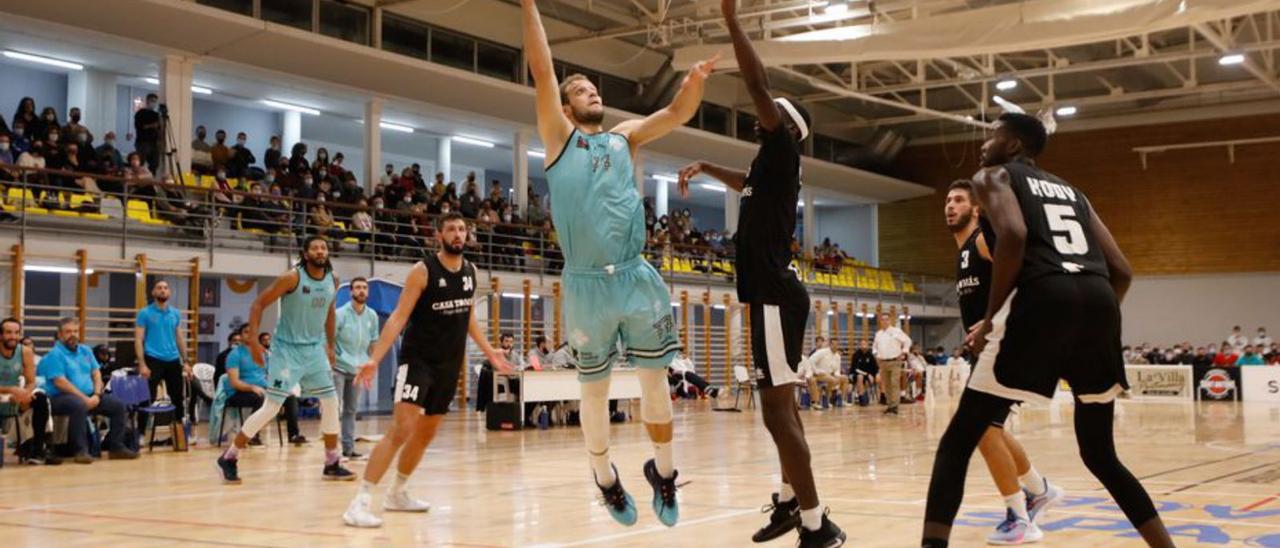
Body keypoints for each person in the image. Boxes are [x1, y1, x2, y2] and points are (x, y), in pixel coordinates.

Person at [921, 112, 1172, 547]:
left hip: (1042, 298)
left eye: (994, 134)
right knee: (1100, 455)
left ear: (1015, 145)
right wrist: (1090, 323)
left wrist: (993, 319)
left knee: (959, 439)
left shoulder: (993, 175)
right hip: (1100, 300)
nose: (984, 143)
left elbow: (1014, 235)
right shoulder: (1075, 192)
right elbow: (1123, 270)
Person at [524, 0, 718, 528]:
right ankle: (605, 477)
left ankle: (665, 472)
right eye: (583, 91)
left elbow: (675, 114)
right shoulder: (559, 139)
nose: (594, 95)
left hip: (636, 276)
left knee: (656, 382)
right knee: (594, 389)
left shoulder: (623, 135)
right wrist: (529, 7)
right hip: (587, 285)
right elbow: (542, 69)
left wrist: (694, 80)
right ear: (564, 108)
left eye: (595, 90)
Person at [671, 4, 841, 544]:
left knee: (776, 415)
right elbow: (744, 178)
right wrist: (704, 166)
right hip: (772, 292)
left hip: (772, 292)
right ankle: (793, 503)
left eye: (773, 110)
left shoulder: (784, 145)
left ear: (788, 124)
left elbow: (758, 82)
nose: (762, 111)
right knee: (781, 410)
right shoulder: (768, 167)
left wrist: (731, 20)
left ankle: (817, 525)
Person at [343, 213, 511, 528]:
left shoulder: (471, 271)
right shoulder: (422, 271)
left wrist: (490, 352)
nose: (458, 234)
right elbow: (397, 318)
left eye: (462, 229)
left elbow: (468, 317)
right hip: (418, 362)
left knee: (427, 432)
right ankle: (360, 501)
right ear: (439, 235)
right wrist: (375, 358)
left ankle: (398, 492)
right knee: (401, 429)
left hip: (449, 364)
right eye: (451, 229)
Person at [944, 178, 1065, 544]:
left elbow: (1030, 278)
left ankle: (1019, 516)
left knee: (980, 429)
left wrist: (994, 318)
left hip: (1007, 347)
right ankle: (1038, 488)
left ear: (975, 209)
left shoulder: (984, 239)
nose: (951, 205)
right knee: (991, 428)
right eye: (948, 200)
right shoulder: (963, 249)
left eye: (960, 200)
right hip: (988, 353)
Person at [216, 236, 354, 483]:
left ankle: (332, 461)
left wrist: (331, 346)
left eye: (323, 247)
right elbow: (258, 304)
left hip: (313, 349)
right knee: (272, 407)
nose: (320, 251)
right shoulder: (291, 277)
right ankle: (230, 455)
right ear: (305, 252)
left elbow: (330, 313)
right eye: (315, 247)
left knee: (331, 402)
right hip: (287, 350)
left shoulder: (333, 280)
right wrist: (256, 342)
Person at [39, 317, 139, 463]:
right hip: (61, 398)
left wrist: (97, 394)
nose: (72, 334)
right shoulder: (55, 354)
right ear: (60, 335)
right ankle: (81, 451)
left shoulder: (85, 350)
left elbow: (96, 373)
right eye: (68, 332)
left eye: (75, 331)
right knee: (77, 406)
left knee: (118, 406)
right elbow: (60, 382)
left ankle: (116, 447)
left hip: (90, 395)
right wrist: (84, 399)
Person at [135, 280, 192, 439]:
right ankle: (140, 433)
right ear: (153, 292)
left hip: (173, 360)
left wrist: (186, 361)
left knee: (178, 398)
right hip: (152, 359)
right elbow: (139, 339)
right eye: (159, 288)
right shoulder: (145, 313)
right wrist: (142, 364)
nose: (162, 290)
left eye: (166, 288)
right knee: (146, 398)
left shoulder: (175, 313)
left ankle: (180, 434)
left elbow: (179, 337)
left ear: (169, 293)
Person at [0, 318, 60, 464]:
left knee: (40, 399)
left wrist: (24, 394)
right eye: (8, 332)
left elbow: (31, 381)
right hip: (5, 392)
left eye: (16, 333)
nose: (13, 336)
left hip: (16, 396)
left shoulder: (25, 352)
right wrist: (11, 390)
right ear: (1, 335)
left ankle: (38, 450)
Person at [334, 277, 380, 460]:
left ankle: (348, 448)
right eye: (358, 288)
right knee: (334, 409)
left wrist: (372, 363)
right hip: (337, 367)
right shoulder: (340, 314)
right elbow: (328, 339)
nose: (361, 291)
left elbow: (374, 342)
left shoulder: (372, 316)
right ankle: (333, 451)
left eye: (364, 288)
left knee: (351, 410)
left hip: (358, 370)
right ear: (351, 291)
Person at [207, 324, 267, 446]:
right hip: (238, 393)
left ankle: (293, 434)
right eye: (246, 332)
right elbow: (234, 382)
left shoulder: (262, 354)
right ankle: (251, 434)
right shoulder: (234, 355)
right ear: (241, 336)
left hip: (259, 389)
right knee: (258, 398)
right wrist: (252, 387)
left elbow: (267, 375)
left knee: (287, 397)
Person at [872, 313, 911, 415]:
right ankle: (890, 405)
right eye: (882, 320)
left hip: (895, 361)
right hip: (883, 362)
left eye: (886, 319)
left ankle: (895, 406)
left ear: (889, 321)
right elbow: (874, 347)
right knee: (887, 385)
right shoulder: (878, 334)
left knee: (894, 383)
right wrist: (876, 355)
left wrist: (903, 352)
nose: (884, 321)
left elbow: (908, 341)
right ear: (880, 322)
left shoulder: (896, 331)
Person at [803, 337, 848, 409]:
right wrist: (816, 371)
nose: (835, 346)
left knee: (844, 378)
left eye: (837, 344)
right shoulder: (822, 352)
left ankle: (841, 400)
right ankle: (824, 400)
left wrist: (837, 375)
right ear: (830, 345)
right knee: (832, 380)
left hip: (829, 375)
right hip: (818, 374)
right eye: (833, 344)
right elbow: (811, 360)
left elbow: (837, 370)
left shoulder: (838, 356)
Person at [134, 94, 161, 172]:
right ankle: (138, 180)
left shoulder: (156, 115)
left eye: (155, 101)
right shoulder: (140, 113)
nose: (153, 103)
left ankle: (150, 179)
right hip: (142, 142)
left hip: (154, 142)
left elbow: (159, 129)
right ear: (147, 101)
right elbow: (139, 126)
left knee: (155, 164)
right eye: (152, 101)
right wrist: (152, 125)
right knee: (140, 163)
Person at [850, 340, 877, 406]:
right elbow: (855, 369)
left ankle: (881, 398)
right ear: (860, 346)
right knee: (860, 377)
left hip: (868, 375)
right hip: (856, 374)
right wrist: (867, 374)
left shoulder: (870, 355)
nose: (863, 346)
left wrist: (872, 375)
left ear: (867, 345)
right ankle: (861, 396)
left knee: (876, 378)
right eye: (862, 344)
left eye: (865, 344)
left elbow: (875, 368)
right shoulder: (856, 355)